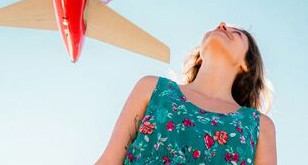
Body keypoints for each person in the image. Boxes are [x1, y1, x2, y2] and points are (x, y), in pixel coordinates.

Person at [95, 22, 277, 164]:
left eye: (236, 33)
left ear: (246, 65)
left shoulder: (259, 125)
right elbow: (109, 160)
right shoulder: (151, 88)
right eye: (218, 26)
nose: (221, 25)